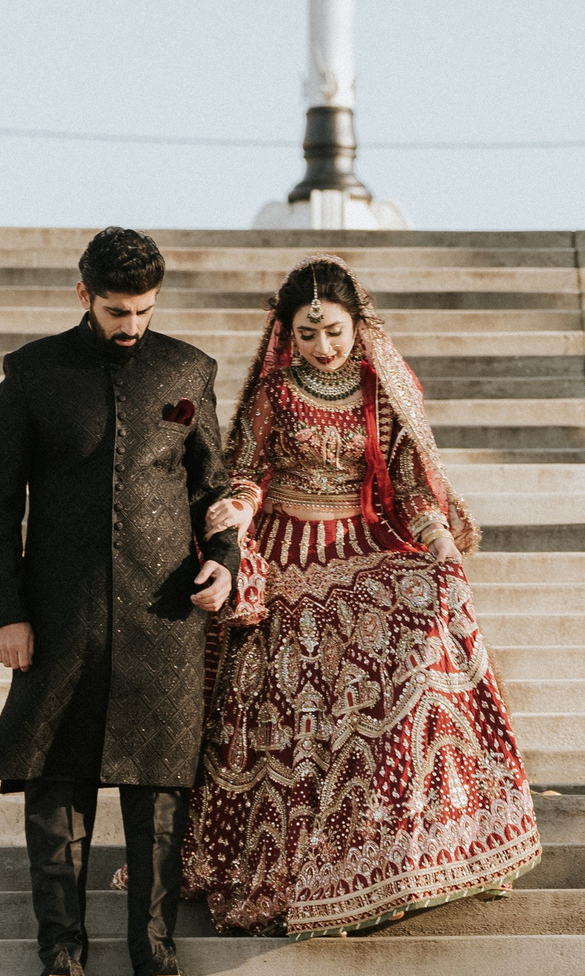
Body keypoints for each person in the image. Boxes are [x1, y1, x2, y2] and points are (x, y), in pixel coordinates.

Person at [184, 256, 540, 938]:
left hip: (362, 540)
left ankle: (425, 846)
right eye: (307, 334)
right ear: (286, 333)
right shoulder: (274, 392)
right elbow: (248, 470)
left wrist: (438, 538)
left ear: (359, 326)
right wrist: (239, 509)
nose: (323, 346)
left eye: (334, 332)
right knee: (289, 679)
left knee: (430, 611)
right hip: (288, 548)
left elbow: (410, 486)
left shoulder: (382, 392)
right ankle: (308, 866)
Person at [0, 227, 239, 976]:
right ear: (83, 293)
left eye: (144, 310)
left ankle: (156, 955)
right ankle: (60, 953)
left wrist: (223, 564)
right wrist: (7, 612)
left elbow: (213, 490)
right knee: (56, 783)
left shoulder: (188, 370)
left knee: (160, 791)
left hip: (166, 616)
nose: (132, 325)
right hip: (62, 614)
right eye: (118, 310)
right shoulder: (31, 374)